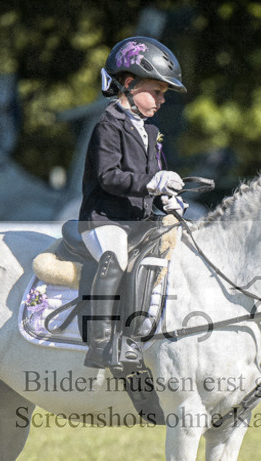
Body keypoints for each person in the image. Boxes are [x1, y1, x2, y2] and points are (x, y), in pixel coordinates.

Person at [76, 36, 188, 369]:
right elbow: (110, 178)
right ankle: (101, 344)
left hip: (137, 220)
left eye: (163, 94)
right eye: (156, 91)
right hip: (103, 219)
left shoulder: (151, 132)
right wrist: (153, 183)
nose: (161, 99)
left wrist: (167, 198)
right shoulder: (106, 127)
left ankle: (142, 335)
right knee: (116, 258)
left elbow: (152, 177)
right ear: (128, 84)